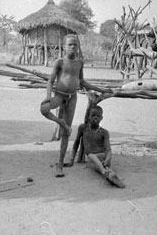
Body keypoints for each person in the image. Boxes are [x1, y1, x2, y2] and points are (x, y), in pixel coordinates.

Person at [40, 34, 112, 177]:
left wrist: (102, 90)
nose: (73, 47)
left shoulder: (79, 63)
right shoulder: (60, 62)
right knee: (44, 109)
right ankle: (61, 122)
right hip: (59, 96)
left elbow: (82, 82)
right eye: (70, 44)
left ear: (78, 47)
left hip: (72, 98)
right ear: (64, 47)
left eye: (75, 44)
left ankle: (60, 165)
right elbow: (50, 81)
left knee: (67, 133)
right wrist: (48, 97)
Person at [64, 105, 112, 172]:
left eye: (98, 116)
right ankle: (104, 171)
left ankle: (103, 170)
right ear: (89, 117)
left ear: (101, 118)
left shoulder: (104, 132)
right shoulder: (83, 128)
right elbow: (76, 143)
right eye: (93, 115)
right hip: (92, 159)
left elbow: (108, 150)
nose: (95, 118)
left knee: (93, 157)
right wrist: (71, 160)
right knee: (91, 156)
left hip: (103, 157)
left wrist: (107, 160)